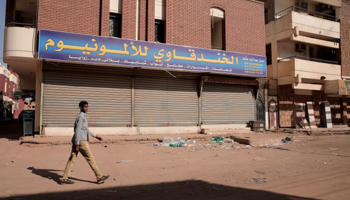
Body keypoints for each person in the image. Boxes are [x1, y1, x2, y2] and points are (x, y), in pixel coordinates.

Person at [60, 101, 109, 184]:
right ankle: (99, 177)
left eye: (87, 107)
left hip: (78, 140)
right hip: (81, 142)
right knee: (91, 159)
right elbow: (78, 131)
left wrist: (95, 136)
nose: (87, 108)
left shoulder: (82, 116)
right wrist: (77, 144)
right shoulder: (81, 117)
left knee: (72, 159)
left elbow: (85, 130)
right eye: (85, 107)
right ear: (80, 107)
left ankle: (64, 178)